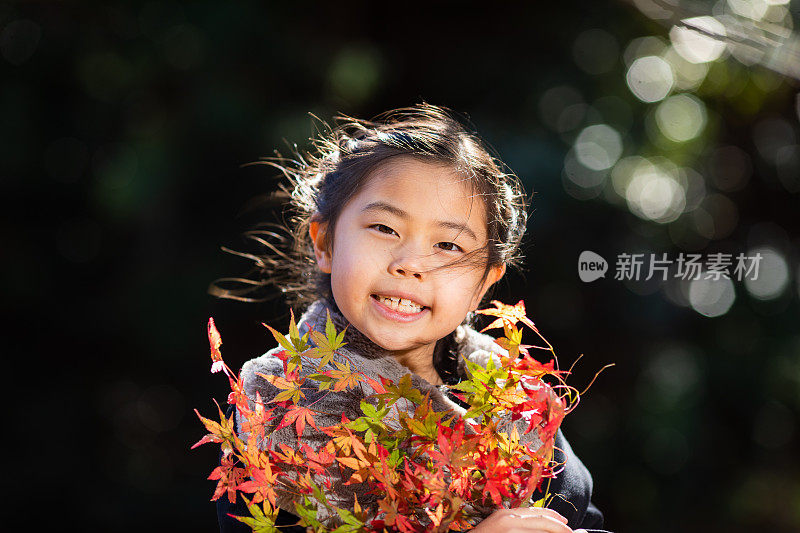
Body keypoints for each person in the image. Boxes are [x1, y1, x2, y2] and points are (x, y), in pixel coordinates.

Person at [213, 104, 610, 532]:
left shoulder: (511, 402)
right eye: (385, 228)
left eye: (448, 246)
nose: (410, 264)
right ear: (325, 243)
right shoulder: (277, 405)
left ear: (484, 283)